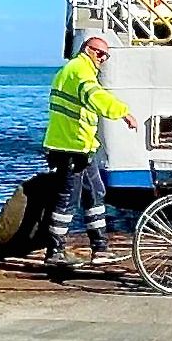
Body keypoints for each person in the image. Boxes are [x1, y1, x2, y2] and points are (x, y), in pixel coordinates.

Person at [43, 37, 138, 267]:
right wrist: (123, 113)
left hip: (81, 147)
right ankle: (55, 252)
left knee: (95, 193)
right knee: (68, 200)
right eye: (100, 54)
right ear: (88, 50)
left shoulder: (70, 72)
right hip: (70, 148)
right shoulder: (79, 71)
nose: (103, 59)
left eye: (106, 56)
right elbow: (95, 97)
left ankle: (100, 249)